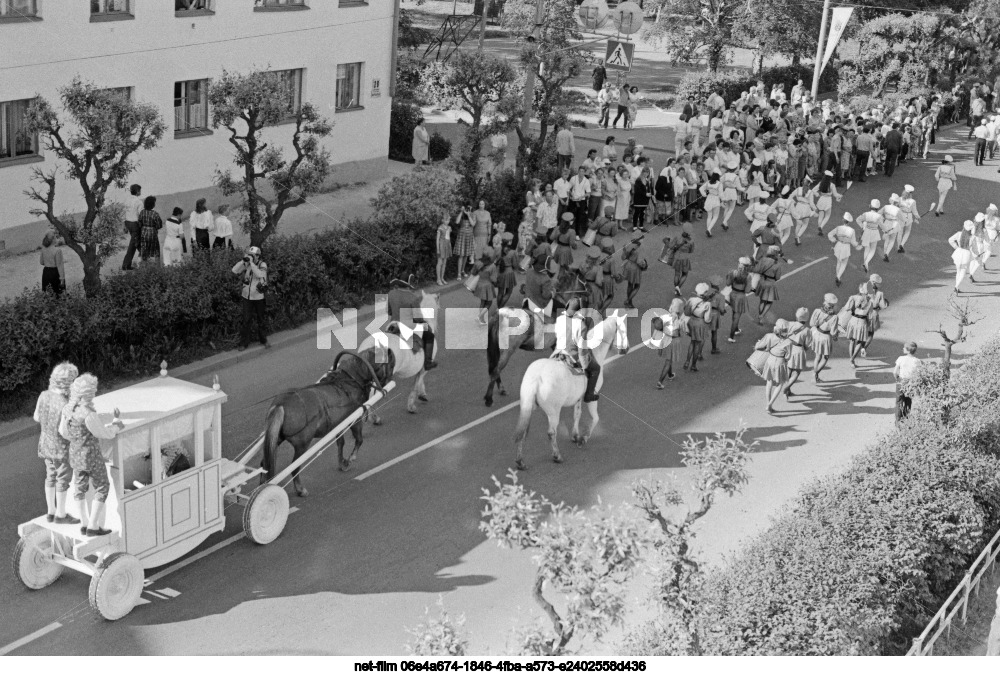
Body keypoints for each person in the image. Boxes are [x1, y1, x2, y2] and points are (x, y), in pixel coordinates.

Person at [60, 373, 124, 536]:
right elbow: (104, 433)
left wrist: (77, 438)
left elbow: (63, 432)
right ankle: (94, 526)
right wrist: (116, 424)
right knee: (102, 486)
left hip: (75, 455)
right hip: (91, 456)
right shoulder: (87, 413)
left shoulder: (68, 409)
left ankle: (84, 523)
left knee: (80, 488)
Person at [35, 362, 80, 524]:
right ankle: (61, 515)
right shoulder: (66, 403)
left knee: (50, 476)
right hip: (61, 448)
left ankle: (51, 511)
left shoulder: (43, 395)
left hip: (46, 444)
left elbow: (36, 417)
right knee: (63, 479)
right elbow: (65, 431)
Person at [553, 299, 601, 402]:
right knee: (596, 368)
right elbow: (582, 350)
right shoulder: (581, 325)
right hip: (572, 356)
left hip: (559, 352)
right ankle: (589, 395)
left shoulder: (560, 319)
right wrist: (584, 365)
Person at [233, 246, 269, 351]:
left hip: (258, 297)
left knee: (261, 319)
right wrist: (243, 261)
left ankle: (263, 340)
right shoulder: (247, 264)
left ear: (258, 255)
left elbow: (260, 274)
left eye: (252, 255)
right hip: (247, 297)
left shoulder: (262, 264)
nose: (250, 257)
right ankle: (244, 343)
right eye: (249, 255)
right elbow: (234, 270)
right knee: (246, 320)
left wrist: (252, 263)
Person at [752, 319, 792, 414]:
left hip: (770, 360)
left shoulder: (769, 336)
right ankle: (770, 404)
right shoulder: (788, 342)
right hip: (780, 361)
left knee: (769, 382)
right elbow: (788, 356)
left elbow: (758, 346)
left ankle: (768, 404)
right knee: (780, 384)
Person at [654, 298, 688, 387]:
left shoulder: (666, 316)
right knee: (669, 361)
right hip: (674, 341)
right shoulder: (680, 319)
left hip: (665, 339)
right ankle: (660, 382)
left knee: (669, 358)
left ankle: (670, 375)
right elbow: (684, 331)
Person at [682, 284, 712, 372]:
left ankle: (687, 360)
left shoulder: (691, 300)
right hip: (700, 323)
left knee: (692, 342)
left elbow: (686, 312)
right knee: (698, 344)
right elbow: (707, 319)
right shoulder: (707, 304)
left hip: (691, 321)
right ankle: (693, 365)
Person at [842, 282, 873, 368]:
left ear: (860, 289)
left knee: (852, 341)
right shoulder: (870, 300)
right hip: (862, 322)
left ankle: (851, 361)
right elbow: (870, 315)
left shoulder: (853, 297)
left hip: (853, 320)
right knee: (860, 341)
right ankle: (852, 358)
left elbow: (846, 308)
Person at [827, 212, 862, 287]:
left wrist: (833, 239)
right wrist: (858, 243)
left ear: (843, 220)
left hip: (838, 245)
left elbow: (829, 234)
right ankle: (838, 277)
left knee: (838, 262)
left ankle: (838, 276)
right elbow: (853, 242)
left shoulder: (838, 228)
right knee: (844, 263)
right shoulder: (852, 230)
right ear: (849, 222)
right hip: (846, 247)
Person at [810, 294, 839, 382]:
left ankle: (816, 376)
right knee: (825, 357)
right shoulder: (834, 317)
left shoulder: (817, 311)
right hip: (825, 337)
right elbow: (833, 332)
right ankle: (815, 374)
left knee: (817, 356)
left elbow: (812, 324)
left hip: (817, 334)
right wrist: (835, 337)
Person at [784, 308, 812, 398]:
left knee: (789, 370)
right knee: (796, 372)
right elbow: (807, 344)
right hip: (798, 350)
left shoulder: (790, 324)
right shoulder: (807, 330)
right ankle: (786, 388)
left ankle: (788, 392)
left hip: (788, 347)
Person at [753, 245, 783, 325]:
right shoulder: (777, 264)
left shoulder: (763, 259)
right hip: (770, 283)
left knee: (762, 300)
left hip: (762, 281)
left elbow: (757, 270)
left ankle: (760, 315)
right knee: (769, 301)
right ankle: (761, 316)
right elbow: (778, 277)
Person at [894, 341, 921, 424]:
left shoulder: (901, 359)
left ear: (908, 350)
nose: (903, 349)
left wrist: (897, 378)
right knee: (908, 401)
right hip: (911, 383)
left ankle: (898, 420)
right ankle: (906, 418)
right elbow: (919, 373)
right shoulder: (917, 361)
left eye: (904, 348)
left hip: (901, 381)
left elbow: (895, 372)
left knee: (899, 402)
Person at [726, 256, 752, 343]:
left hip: (732, 294)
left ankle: (736, 330)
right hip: (740, 296)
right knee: (737, 316)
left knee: (734, 312)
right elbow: (747, 290)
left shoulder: (733, 272)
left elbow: (728, 283)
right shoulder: (748, 276)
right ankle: (731, 336)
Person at [862, 273, 888, 358]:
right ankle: (863, 348)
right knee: (870, 333)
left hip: (863, 312)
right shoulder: (879, 293)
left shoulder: (864, 287)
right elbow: (883, 306)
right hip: (873, 313)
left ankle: (859, 344)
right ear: (875, 283)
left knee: (863, 331)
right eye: (878, 283)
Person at [809, 170, 842, 235]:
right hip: (828, 201)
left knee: (821, 216)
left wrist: (817, 194)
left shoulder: (821, 183)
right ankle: (821, 227)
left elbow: (813, 190)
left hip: (821, 200)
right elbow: (835, 195)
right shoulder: (832, 185)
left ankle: (819, 227)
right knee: (827, 216)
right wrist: (839, 195)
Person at [666, 224, 694, 296]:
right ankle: (678, 287)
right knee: (685, 274)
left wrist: (667, 241)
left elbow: (671, 246)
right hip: (685, 259)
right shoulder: (691, 241)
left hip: (677, 257)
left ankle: (676, 288)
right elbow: (691, 251)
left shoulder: (677, 237)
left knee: (677, 274)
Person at [948, 220, 976, 292]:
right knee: (963, 272)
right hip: (966, 254)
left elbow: (950, 240)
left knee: (958, 271)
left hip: (958, 253)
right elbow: (974, 248)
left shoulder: (959, 234)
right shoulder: (972, 237)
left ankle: (957, 287)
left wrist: (956, 247)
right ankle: (956, 286)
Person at [857, 199, 884, 273]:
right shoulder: (879, 216)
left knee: (867, 248)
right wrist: (886, 230)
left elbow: (858, 220)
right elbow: (882, 226)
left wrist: (863, 226)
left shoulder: (866, 214)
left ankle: (865, 263)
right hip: (874, 232)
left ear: (871, 206)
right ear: (878, 207)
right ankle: (866, 262)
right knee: (872, 249)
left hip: (867, 231)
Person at [471, 252, 498, 325]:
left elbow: (473, 273)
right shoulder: (492, 266)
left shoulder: (478, 263)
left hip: (480, 284)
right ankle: (479, 317)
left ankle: (481, 319)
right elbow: (493, 279)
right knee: (489, 303)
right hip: (488, 286)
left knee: (482, 302)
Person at [122, 183, 143, 270]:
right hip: (135, 224)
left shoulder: (126, 200)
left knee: (136, 241)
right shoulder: (139, 202)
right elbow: (140, 216)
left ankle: (143, 255)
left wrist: (124, 225)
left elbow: (123, 213)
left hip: (128, 223)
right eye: (140, 190)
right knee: (133, 244)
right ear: (138, 192)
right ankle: (126, 265)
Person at [622, 241, 647, 309]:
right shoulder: (640, 248)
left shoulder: (629, 245)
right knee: (637, 286)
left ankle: (630, 303)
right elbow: (639, 261)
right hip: (635, 268)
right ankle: (628, 300)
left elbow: (623, 257)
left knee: (630, 285)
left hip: (628, 265)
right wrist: (644, 265)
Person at [137, 195, 162, 262]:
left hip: (144, 232)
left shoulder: (142, 212)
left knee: (144, 249)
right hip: (152, 233)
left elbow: (139, 223)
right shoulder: (155, 214)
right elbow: (159, 225)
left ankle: (142, 264)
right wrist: (154, 228)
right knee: (154, 249)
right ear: (153, 204)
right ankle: (153, 265)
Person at [706, 275, 727, 354]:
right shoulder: (721, 296)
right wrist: (723, 311)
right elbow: (721, 309)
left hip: (706, 313)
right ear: (718, 285)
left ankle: (699, 353)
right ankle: (714, 348)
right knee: (714, 333)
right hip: (715, 314)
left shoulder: (706, 293)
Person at [878, 195, 902, 263]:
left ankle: (884, 253)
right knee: (892, 240)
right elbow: (902, 218)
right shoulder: (898, 209)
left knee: (887, 240)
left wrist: (883, 219)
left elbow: (878, 213)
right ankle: (886, 254)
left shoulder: (886, 207)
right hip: (894, 224)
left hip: (886, 223)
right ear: (897, 202)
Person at [454, 208, 475, 279]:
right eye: (467, 208)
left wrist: (469, 215)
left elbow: (473, 224)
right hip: (462, 237)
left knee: (466, 255)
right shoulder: (462, 214)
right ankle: (459, 273)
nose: (468, 209)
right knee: (461, 255)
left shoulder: (472, 215)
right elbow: (457, 222)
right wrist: (461, 211)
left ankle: (462, 270)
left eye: (469, 208)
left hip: (469, 237)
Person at [897, 184, 918, 253]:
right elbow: (914, 211)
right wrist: (917, 217)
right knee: (907, 231)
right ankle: (902, 245)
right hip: (908, 217)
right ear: (911, 193)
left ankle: (898, 247)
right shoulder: (913, 201)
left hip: (900, 216)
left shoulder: (899, 199)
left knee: (900, 232)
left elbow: (896, 208)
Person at [435, 214, 453, 285]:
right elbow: (437, 239)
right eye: (446, 220)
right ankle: (438, 279)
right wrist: (438, 249)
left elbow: (448, 237)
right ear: (442, 220)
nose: (447, 221)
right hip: (441, 245)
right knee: (440, 262)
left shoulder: (449, 228)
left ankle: (442, 278)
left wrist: (450, 246)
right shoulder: (440, 228)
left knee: (444, 263)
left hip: (447, 246)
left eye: (448, 220)